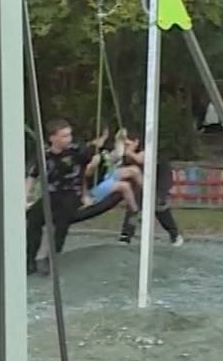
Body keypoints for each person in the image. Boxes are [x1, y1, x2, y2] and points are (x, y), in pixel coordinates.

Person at [25, 118, 122, 275]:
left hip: (72, 193)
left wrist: (87, 188)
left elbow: (99, 162)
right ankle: (29, 260)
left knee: (62, 219)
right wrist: (25, 199)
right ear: (52, 138)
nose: (68, 139)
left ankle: (51, 259)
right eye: (64, 136)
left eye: (69, 135)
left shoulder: (77, 151)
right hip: (51, 194)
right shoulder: (43, 155)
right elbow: (31, 176)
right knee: (33, 219)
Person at [116, 128, 184, 246]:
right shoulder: (128, 154)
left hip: (160, 179)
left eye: (128, 144)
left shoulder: (148, 150)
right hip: (143, 182)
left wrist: (129, 153)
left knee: (159, 206)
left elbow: (142, 159)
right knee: (134, 205)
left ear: (136, 142)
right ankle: (126, 236)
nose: (126, 147)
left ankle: (174, 234)